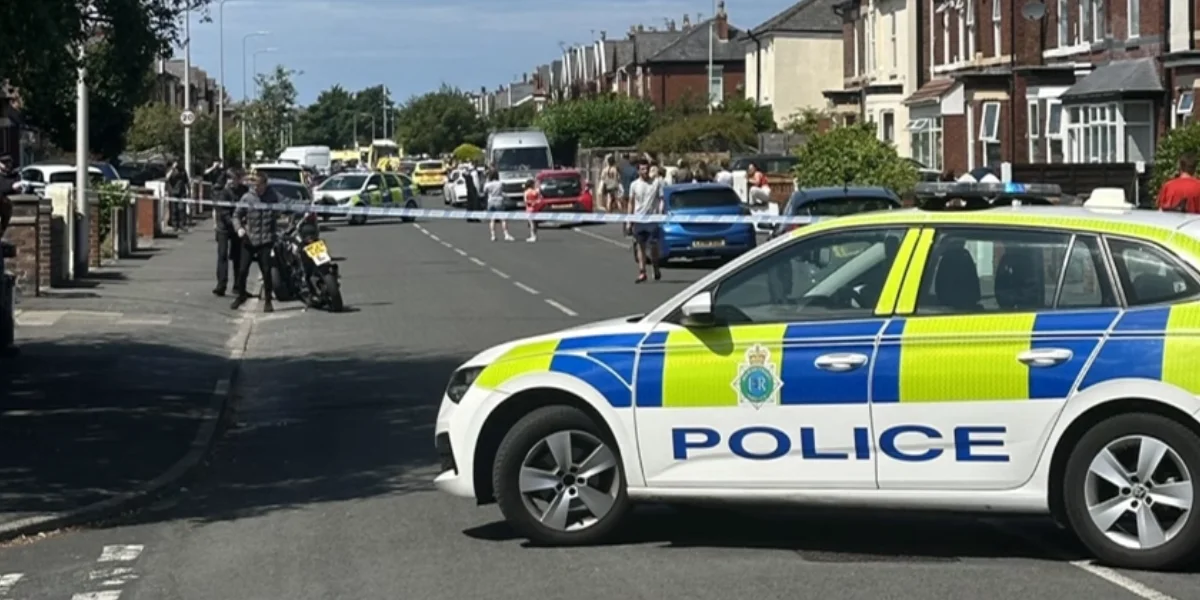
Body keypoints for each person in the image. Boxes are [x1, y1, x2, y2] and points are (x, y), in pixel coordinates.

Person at [230, 171, 279, 312]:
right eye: (255, 185)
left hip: (266, 239)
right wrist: (239, 228)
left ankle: (268, 300)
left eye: (259, 185)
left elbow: (286, 205)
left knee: (266, 270)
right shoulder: (247, 198)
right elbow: (236, 215)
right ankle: (241, 295)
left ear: (265, 184)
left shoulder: (273, 196)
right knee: (243, 270)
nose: (257, 188)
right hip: (249, 239)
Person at [626, 161, 665, 283]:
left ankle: (655, 266)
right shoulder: (634, 185)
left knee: (653, 246)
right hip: (639, 219)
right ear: (638, 171)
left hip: (652, 219)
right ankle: (642, 272)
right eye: (642, 169)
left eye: (647, 169)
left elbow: (661, 199)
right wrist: (629, 220)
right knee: (640, 246)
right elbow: (631, 202)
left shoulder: (656, 183)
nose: (645, 171)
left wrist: (660, 213)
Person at [213, 164, 247, 297]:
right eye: (231, 179)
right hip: (224, 227)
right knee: (222, 255)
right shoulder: (223, 192)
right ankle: (221, 285)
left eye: (236, 179)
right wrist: (235, 224)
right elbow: (223, 212)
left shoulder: (243, 191)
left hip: (237, 227)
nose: (233, 182)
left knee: (238, 257)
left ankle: (238, 286)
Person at [483, 169, 513, 241]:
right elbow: (503, 188)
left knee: (492, 219)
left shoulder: (488, 184)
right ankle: (506, 234)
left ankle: (493, 235)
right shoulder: (500, 183)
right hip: (499, 200)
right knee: (503, 219)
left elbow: (484, 191)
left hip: (491, 201)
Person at [165, 161, 191, 232]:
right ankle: (175, 225)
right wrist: (173, 168)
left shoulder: (183, 171)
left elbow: (187, 181)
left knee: (182, 208)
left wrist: (189, 190)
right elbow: (167, 178)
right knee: (174, 209)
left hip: (182, 192)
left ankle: (182, 224)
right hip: (173, 192)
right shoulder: (170, 170)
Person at [0, 156, 17, 236]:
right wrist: (12, 187)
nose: (7, 165)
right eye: (4, 163)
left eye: (8, 162)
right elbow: (2, 189)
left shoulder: (15, 176)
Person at [522, 178, 539, 243]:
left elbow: (525, 201)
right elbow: (539, 200)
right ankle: (535, 235)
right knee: (535, 223)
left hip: (529, 209)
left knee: (531, 223)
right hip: (536, 208)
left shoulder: (526, 192)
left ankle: (533, 236)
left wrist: (530, 202)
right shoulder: (535, 192)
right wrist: (535, 202)